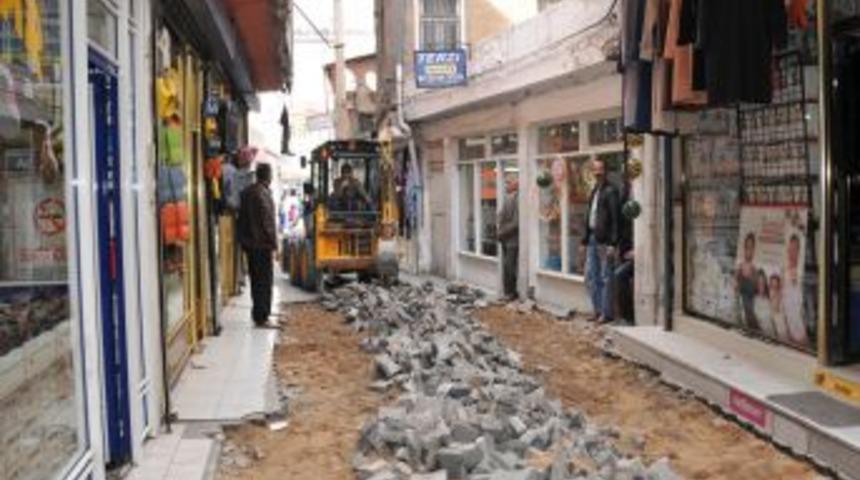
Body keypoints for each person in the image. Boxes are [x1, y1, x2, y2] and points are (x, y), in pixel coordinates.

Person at [579, 158, 620, 323]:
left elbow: (616, 219)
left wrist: (613, 243)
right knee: (591, 277)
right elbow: (590, 216)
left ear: (605, 171)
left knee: (605, 277)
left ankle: (606, 313)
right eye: (595, 170)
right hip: (593, 239)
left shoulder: (611, 190)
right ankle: (596, 311)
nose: (598, 173)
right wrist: (584, 240)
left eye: (600, 169)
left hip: (605, 241)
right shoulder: (595, 190)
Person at [237, 163, 277, 327]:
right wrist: (274, 243)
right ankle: (262, 317)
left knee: (255, 280)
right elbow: (267, 221)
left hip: (250, 244)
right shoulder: (262, 194)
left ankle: (258, 314)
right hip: (262, 245)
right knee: (264, 282)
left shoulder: (247, 192)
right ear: (268, 176)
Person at [497, 172, 519, 300]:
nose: (506, 185)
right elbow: (502, 215)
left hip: (513, 239)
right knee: (506, 266)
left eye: (508, 182)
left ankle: (511, 293)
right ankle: (507, 292)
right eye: (506, 182)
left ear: (516, 183)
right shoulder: (508, 197)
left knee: (509, 266)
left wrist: (502, 232)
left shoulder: (518, 198)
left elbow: (516, 222)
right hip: (505, 239)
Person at [735, 233, 759, 331]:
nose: (748, 250)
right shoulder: (739, 266)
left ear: (754, 249)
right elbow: (735, 288)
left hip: (750, 315)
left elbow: (757, 292)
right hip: (740, 311)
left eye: (751, 247)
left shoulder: (755, 269)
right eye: (747, 247)